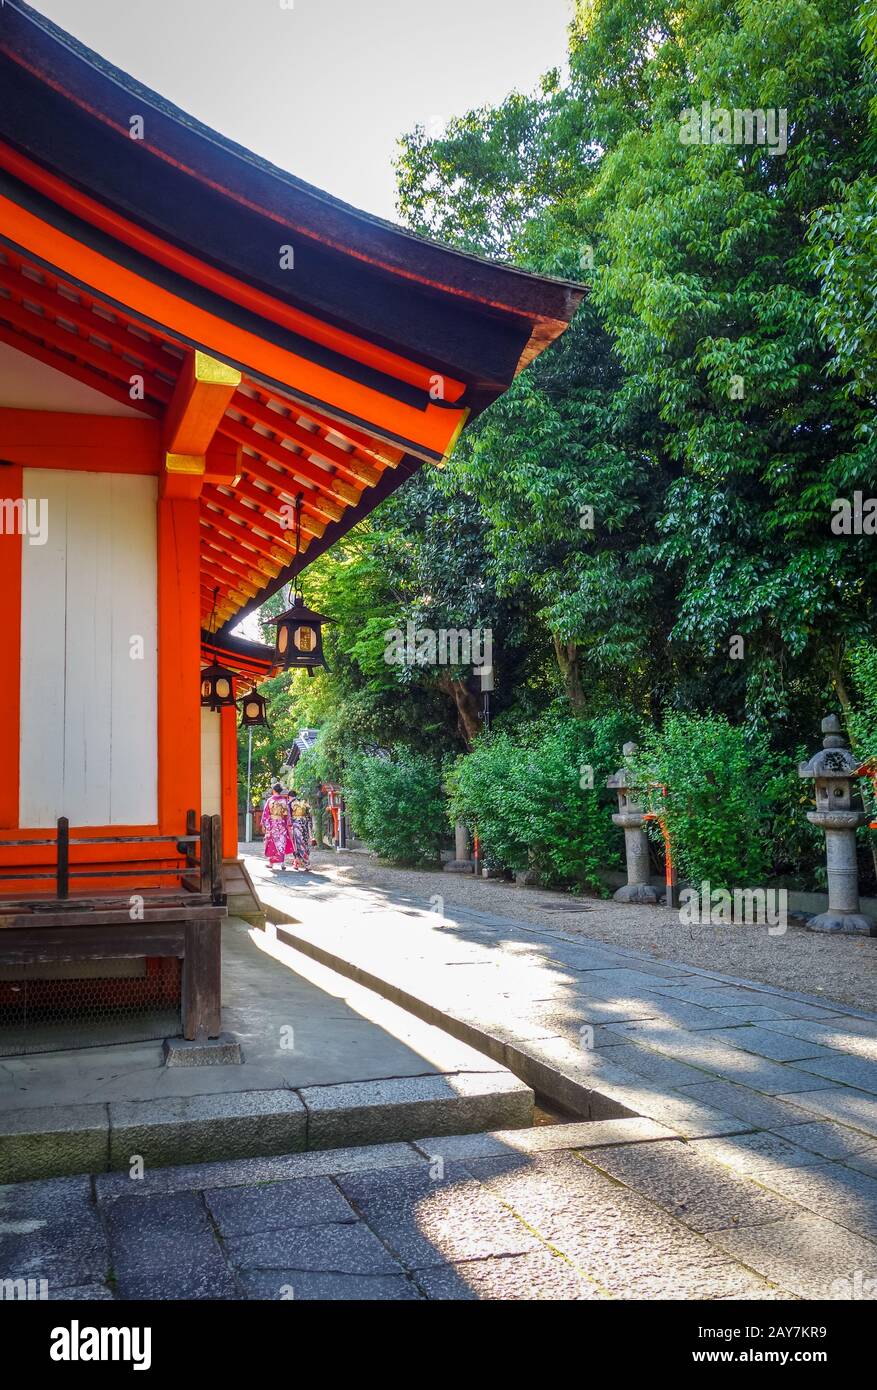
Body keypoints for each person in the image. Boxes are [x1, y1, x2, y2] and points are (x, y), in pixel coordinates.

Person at [261, 782, 293, 869]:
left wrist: (265, 824)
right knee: (281, 843)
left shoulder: (270, 800)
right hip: (282, 824)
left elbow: (266, 814)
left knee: (272, 843)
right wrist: (288, 824)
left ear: (274, 790)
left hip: (272, 824)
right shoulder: (284, 800)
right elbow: (287, 814)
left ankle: (271, 864)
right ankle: (282, 864)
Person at [288, 789, 314, 872]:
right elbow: (309, 815)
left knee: (297, 844)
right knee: (304, 843)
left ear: (289, 797)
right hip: (304, 824)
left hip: (296, 825)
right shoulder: (303, 802)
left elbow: (288, 816)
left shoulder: (290, 803)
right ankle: (296, 863)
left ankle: (307, 864)